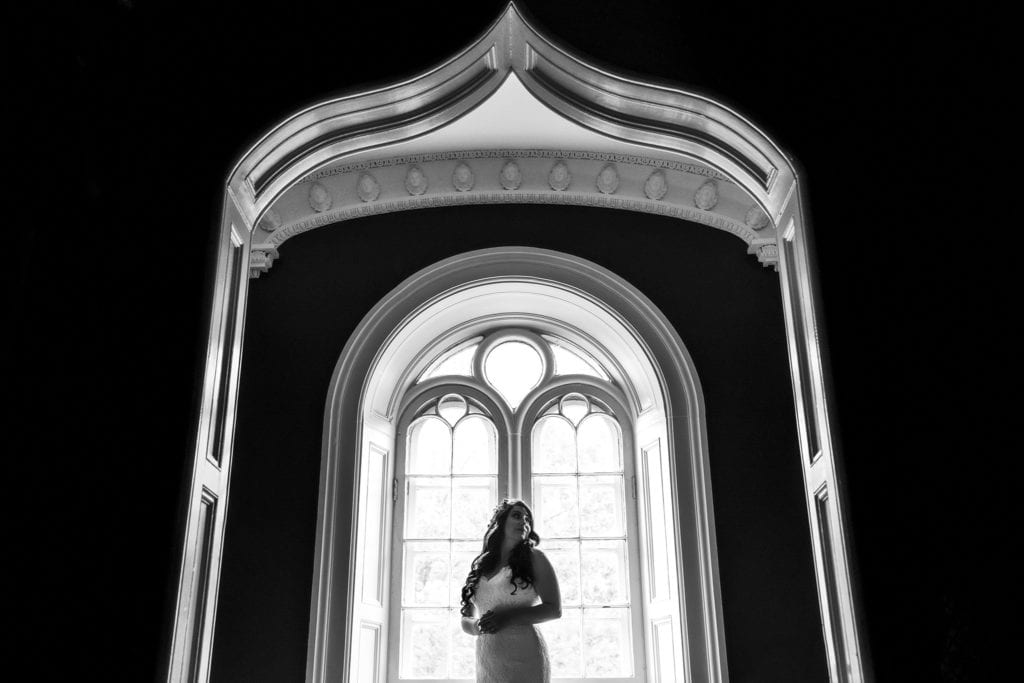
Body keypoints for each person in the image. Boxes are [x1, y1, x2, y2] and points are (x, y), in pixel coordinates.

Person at [460, 499, 561, 683]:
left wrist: (506, 617)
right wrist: (476, 626)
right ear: (500, 522)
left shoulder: (535, 558)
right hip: (487, 658)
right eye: (517, 516)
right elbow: (466, 618)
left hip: (524, 654)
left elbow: (554, 609)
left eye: (527, 519)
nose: (524, 522)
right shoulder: (482, 564)